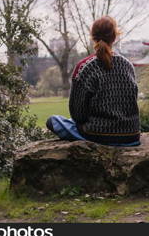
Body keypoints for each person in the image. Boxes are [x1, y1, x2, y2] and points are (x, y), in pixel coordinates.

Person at [46, 16, 140, 146]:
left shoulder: (84, 67)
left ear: (93, 37)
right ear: (115, 37)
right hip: (131, 136)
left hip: (99, 135)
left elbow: (78, 115)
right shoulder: (128, 65)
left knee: (53, 121)